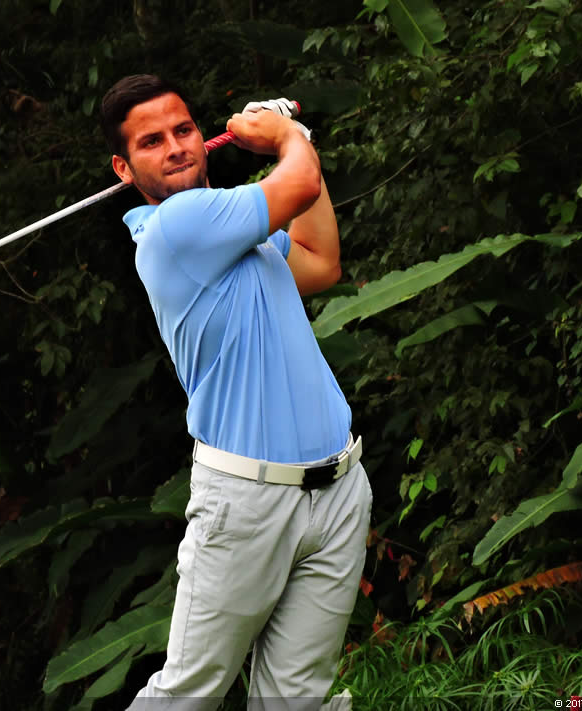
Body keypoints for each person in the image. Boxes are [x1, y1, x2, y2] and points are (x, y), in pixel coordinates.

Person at [100, 74, 372, 711]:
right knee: (188, 693)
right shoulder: (178, 226)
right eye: (151, 142)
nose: (176, 147)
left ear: (202, 136)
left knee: (296, 699)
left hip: (337, 491)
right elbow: (298, 184)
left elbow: (320, 259)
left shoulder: (236, 230)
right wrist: (284, 136)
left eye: (183, 130)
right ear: (123, 168)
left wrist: (296, 140)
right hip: (246, 502)